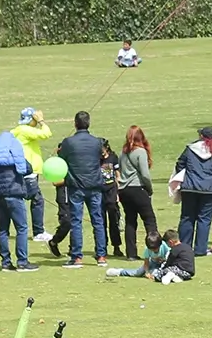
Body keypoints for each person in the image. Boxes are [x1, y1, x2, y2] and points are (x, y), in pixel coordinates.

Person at [0, 127, 35, 273]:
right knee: (21, 228)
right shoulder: (13, 149)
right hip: (14, 193)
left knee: (3, 229)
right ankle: (22, 261)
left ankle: (5, 262)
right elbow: (28, 168)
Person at [57, 111, 109, 266]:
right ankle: (101, 256)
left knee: (76, 221)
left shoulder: (68, 142)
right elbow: (101, 157)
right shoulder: (97, 142)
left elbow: (61, 160)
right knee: (98, 221)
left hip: (76, 187)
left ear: (75, 124)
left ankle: (77, 256)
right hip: (94, 185)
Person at [175, 125, 212, 258]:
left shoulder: (190, 149)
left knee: (187, 218)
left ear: (201, 136)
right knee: (204, 220)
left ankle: (184, 247)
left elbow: (180, 164)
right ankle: (200, 249)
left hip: (190, 187)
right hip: (210, 189)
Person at [116, 126, 158, 261]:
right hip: (137, 188)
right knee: (149, 219)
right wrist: (149, 189)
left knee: (130, 221)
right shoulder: (141, 152)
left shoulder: (123, 153)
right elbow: (145, 174)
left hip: (124, 190)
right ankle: (154, 250)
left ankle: (131, 253)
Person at [12, 107, 54, 242]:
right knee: (37, 199)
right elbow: (46, 134)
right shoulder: (25, 130)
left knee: (23, 198)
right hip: (29, 172)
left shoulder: (17, 131)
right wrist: (41, 120)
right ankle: (38, 231)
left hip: (25, 170)